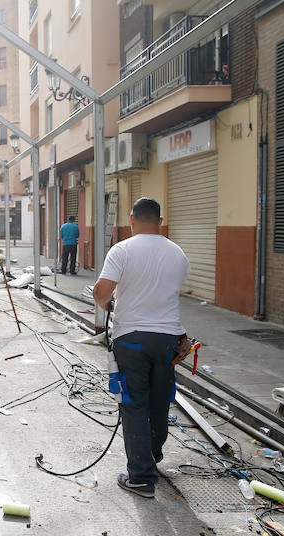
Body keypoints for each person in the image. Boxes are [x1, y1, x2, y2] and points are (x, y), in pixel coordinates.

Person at [92, 197, 191, 499]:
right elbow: (167, 297)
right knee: (160, 401)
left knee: (134, 403)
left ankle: (141, 477)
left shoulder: (122, 250)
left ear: (132, 219)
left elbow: (101, 293)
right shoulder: (178, 254)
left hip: (132, 339)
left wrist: (108, 302)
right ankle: (153, 458)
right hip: (167, 341)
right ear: (160, 221)